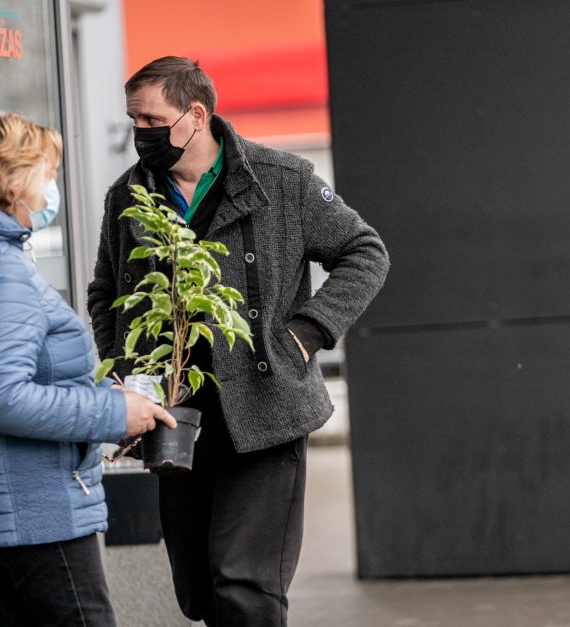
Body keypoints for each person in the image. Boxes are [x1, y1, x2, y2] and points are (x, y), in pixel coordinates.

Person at [87, 57, 390, 625]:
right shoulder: (127, 197)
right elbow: (106, 292)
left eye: (152, 119)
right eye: (133, 121)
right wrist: (124, 368)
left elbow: (365, 253)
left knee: (244, 582)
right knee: (200, 589)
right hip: (174, 420)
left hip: (265, 414)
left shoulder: (282, 180)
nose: (140, 134)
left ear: (195, 116)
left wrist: (307, 333)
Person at [0, 110, 175, 626]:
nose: (52, 189)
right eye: (48, 175)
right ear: (19, 181)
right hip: (34, 506)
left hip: (11, 502)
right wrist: (115, 413)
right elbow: (5, 397)